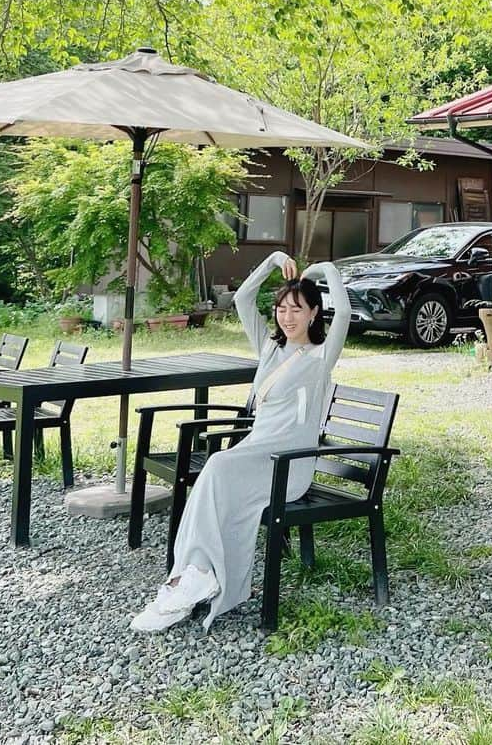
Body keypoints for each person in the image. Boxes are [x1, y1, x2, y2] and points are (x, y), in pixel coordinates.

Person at [130, 251, 351, 632]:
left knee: (215, 468)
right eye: (282, 308)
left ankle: (196, 576)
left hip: (288, 464)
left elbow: (344, 313)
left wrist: (324, 270)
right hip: (254, 453)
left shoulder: (320, 357)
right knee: (210, 485)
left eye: (298, 309)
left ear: (315, 313)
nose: (288, 316)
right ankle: (194, 574)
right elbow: (242, 299)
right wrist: (271, 261)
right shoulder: (270, 347)